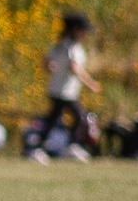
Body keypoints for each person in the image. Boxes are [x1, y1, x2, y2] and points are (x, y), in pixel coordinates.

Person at [36, 11, 100, 159]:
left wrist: (52, 67)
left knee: (54, 118)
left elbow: (46, 62)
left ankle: (41, 146)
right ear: (76, 30)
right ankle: (70, 146)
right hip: (64, 92)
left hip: (57, 89)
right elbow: (74, 67)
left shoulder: (59, 45)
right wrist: (90, 83)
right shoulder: (72, 48)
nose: (84, 35)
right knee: (78, 116)